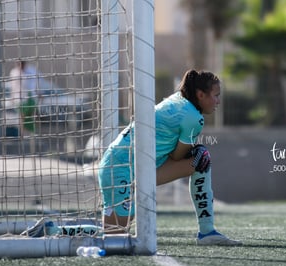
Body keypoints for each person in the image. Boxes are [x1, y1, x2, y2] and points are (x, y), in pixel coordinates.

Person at [98, 69, 242, 246]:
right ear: (200, 95)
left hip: (125, 164)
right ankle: (58, 231)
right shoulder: (193, 118)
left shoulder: (178, 99)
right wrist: (194, 149)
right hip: (121, 169)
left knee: (200, 159)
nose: (218, 101)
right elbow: (176, 156)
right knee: (114, 238)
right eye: (216, 95)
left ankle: (207, 231)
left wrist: (195, 150)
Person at [6, 60, 39, 133]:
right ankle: (22, 133)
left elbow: (35, 83)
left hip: (31, 96)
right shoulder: (14, 73)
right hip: (20, 97)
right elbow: (13, 86)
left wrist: (38, 93)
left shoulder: (31, 70)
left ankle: (31, 133)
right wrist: (12, 97)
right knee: (22, 116)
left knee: (31, 115)